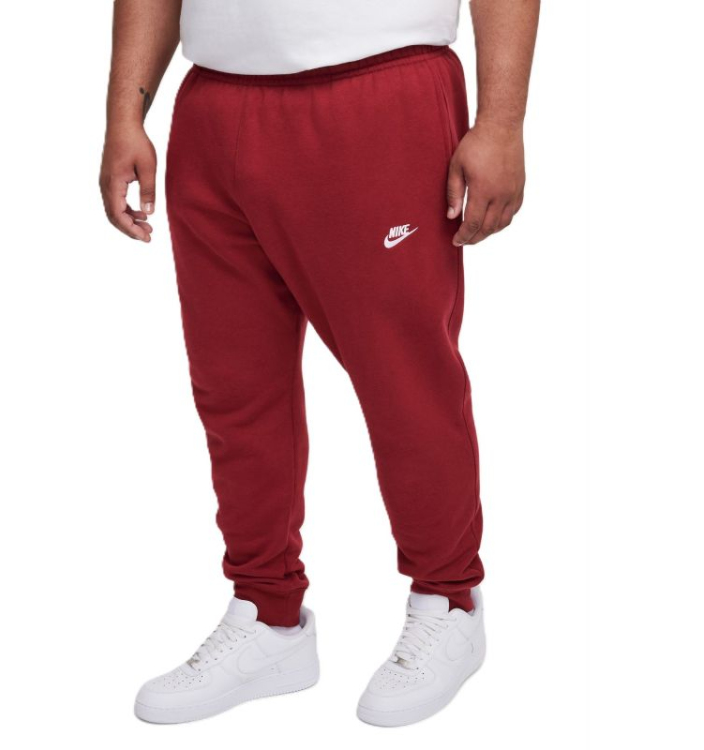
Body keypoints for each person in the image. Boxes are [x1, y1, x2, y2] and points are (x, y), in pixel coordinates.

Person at [100, 0, 539, 728]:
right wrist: (125, 115)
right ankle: (268, 614)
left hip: (377, 93)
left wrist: (501, 122)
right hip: (214, 105)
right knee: (235, 387)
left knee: (404, 380)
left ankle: (449, 600)